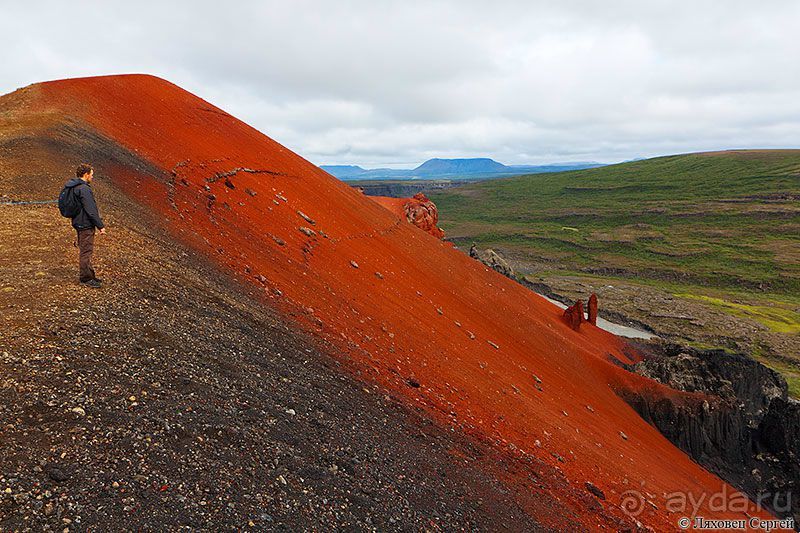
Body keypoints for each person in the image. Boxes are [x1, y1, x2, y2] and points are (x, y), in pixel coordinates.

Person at [63, 164, 106, 288]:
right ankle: (86, 278)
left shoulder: (74, 186)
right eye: (91, 174)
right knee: (86, 251)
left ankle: (90, 275)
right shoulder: (84, 189)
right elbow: (91, 209)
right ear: (86, 174)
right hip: (85, 223)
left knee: (85, 249)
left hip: (78, 221)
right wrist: (100, 226)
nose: (92, 177)